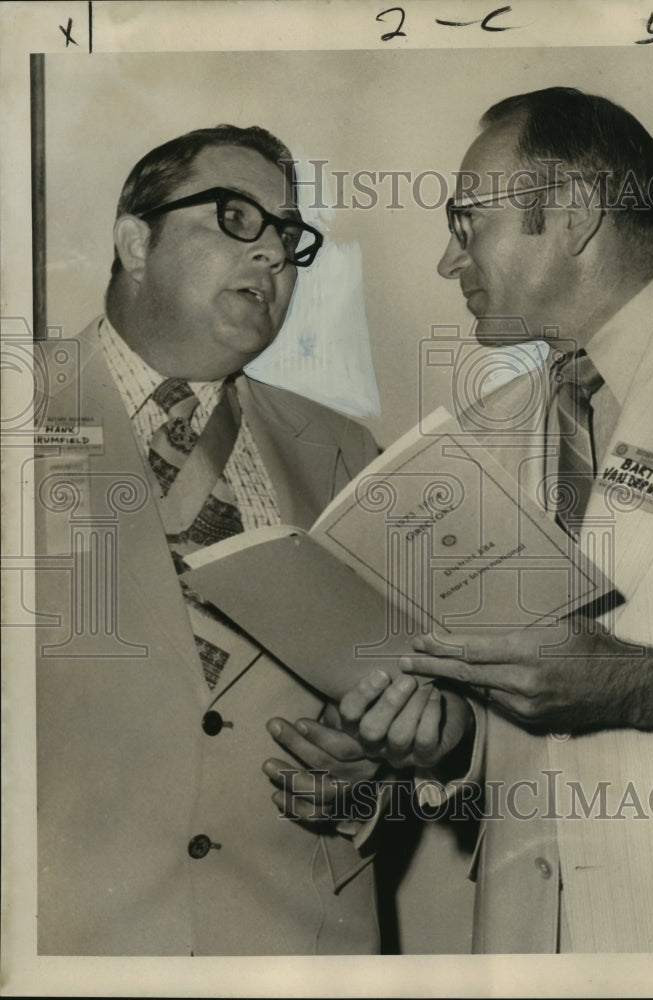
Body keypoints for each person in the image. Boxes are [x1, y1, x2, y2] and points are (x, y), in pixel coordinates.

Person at [334, 87, 653, 953]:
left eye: (465, 222)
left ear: (570, 214)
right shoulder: (475, 439)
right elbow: (508, 729)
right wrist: (440, 739)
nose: (449, 263)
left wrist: (645, 684)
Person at [33, 125, 384, 955]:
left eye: (287, 237)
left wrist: (369, 781)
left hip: (298, 951)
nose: (272, 256)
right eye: (235, 218)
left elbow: (405, 713)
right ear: (134, 241)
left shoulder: (349, 453)